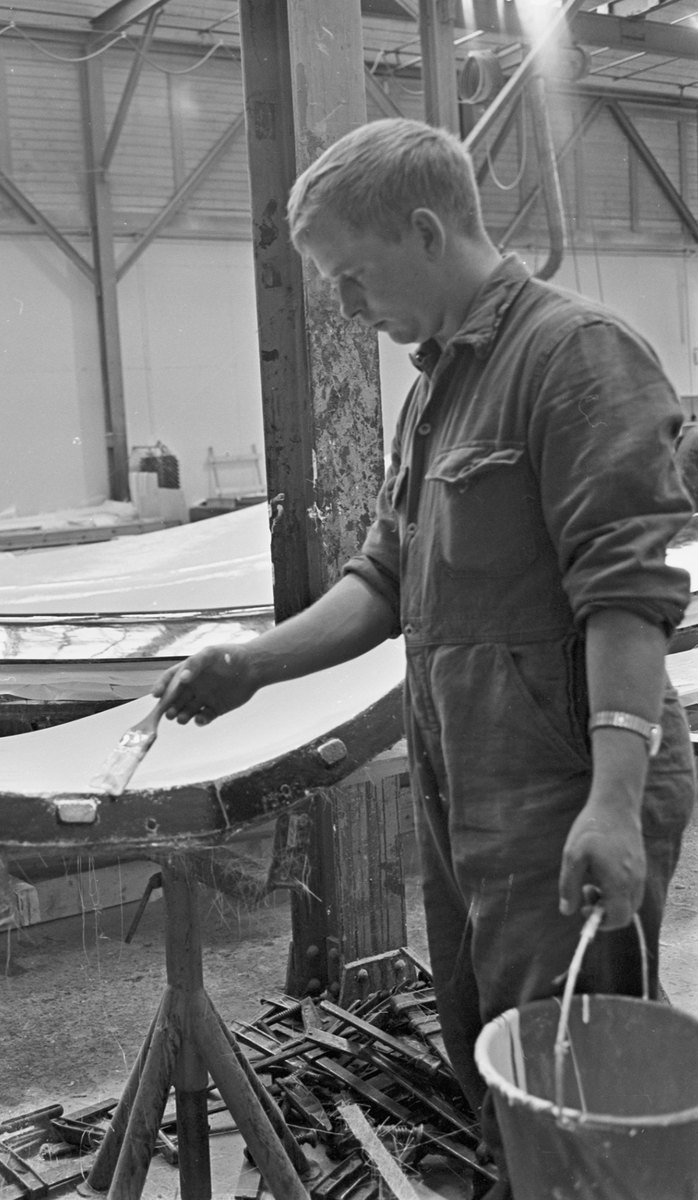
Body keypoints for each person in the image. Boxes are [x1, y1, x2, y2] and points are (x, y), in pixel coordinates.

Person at [154, 118, 695, 1197]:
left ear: (426, 229)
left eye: (353, 276)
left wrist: (613, 803)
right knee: (488, 1042)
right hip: (469, 783)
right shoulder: (434, 392)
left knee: (572, 1074)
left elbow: (626, 599)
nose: (347, 306)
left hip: (564, 785)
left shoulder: (575, 357)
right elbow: (383, 578)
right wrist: (251, 666)